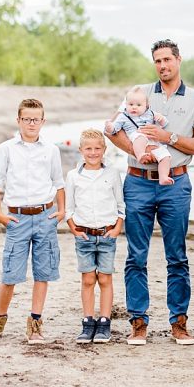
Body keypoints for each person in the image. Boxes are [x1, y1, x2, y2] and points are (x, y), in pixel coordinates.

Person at [105, 39, 194, 346]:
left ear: (178, 60)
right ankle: (138, 321)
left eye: (167, 59)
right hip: (137, 182)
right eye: (157, 61)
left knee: (177, 256)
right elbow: (113, 131)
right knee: (136, 255)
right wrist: (139, 153)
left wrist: (169, 137)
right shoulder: (138, 94)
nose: (162, 65)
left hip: (175, 183)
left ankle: (179, 322)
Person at [0, 98, 66, 344]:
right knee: (10, 273)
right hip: (17, 218)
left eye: (36, 119)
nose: (31, 124)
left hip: (45, 217)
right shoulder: (6, 148)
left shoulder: (51, 150)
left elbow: (58, 182)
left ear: (43, 121)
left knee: (42, 272)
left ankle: (35, 324)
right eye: (26, 119)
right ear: (18, 120)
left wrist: (62, 210)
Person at [65, 129, 124, 344]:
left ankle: (104, 322)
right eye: (88, 149)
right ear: (81, 150)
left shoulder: (112, 173)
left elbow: (120, 204)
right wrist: (73, 228)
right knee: (88, 278)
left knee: (105, 278)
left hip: (107, 234)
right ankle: (88, 322)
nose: (93, 152)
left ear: (104, 149)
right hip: (84, 236)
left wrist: (117, 227)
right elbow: (69, 207)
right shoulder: (73, 176)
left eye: (97, 148)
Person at [104, 86, 173, 185]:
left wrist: (160, 118)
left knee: (166, 156)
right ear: (126, 104)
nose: (134, 107)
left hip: (153, 140)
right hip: (136, 135)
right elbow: (114, 129)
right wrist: (109, 126)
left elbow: (164, 124)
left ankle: (163, 177)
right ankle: (140, 155)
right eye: (130, 104)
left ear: (146, 106)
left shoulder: (151, 113)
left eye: (139, 105)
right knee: (140, 138)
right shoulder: (123, 117)